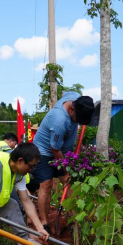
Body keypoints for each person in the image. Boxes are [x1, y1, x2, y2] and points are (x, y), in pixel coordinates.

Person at [29, 91, 95, 233]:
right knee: (46, 184)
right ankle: (44, 222)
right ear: (72, 109)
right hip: (44, 152)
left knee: (68, 182)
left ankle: (74, 219)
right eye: (78, 119)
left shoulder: (75, 98)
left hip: (62, 152)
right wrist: (66, 168)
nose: (77, 122)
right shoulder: (59, 120)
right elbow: (54, 149)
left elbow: (67, 92)